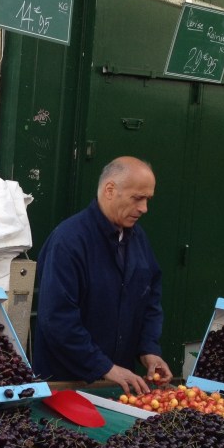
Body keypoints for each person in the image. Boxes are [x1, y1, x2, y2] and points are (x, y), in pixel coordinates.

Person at [33, 156, 172, 395]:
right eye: (137, 198)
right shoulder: (68, 241)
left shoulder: (138, 239)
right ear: (110, 190)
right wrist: (104, 366)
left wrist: (149, 349)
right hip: (66, 386)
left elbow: (150, 300)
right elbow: (57, 320)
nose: (144, 208)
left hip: (116, 385)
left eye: (147, 199)